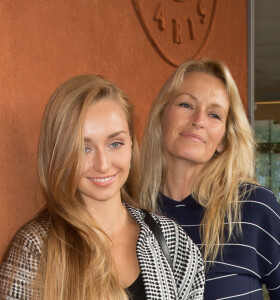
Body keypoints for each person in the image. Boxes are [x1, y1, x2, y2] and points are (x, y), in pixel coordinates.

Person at [0, 74, 205, 300]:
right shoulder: (35, 249)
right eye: (83, 148)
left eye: (115, 144)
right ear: (60, 155)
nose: (103, 164)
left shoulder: (172, 241)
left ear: (131, 146)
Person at [140, 58, 280, 299]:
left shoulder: (253, 207)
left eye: (214, 114)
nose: (198, 120)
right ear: (162, 116)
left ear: (224, 139)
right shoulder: (130, 213)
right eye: (186, 104)